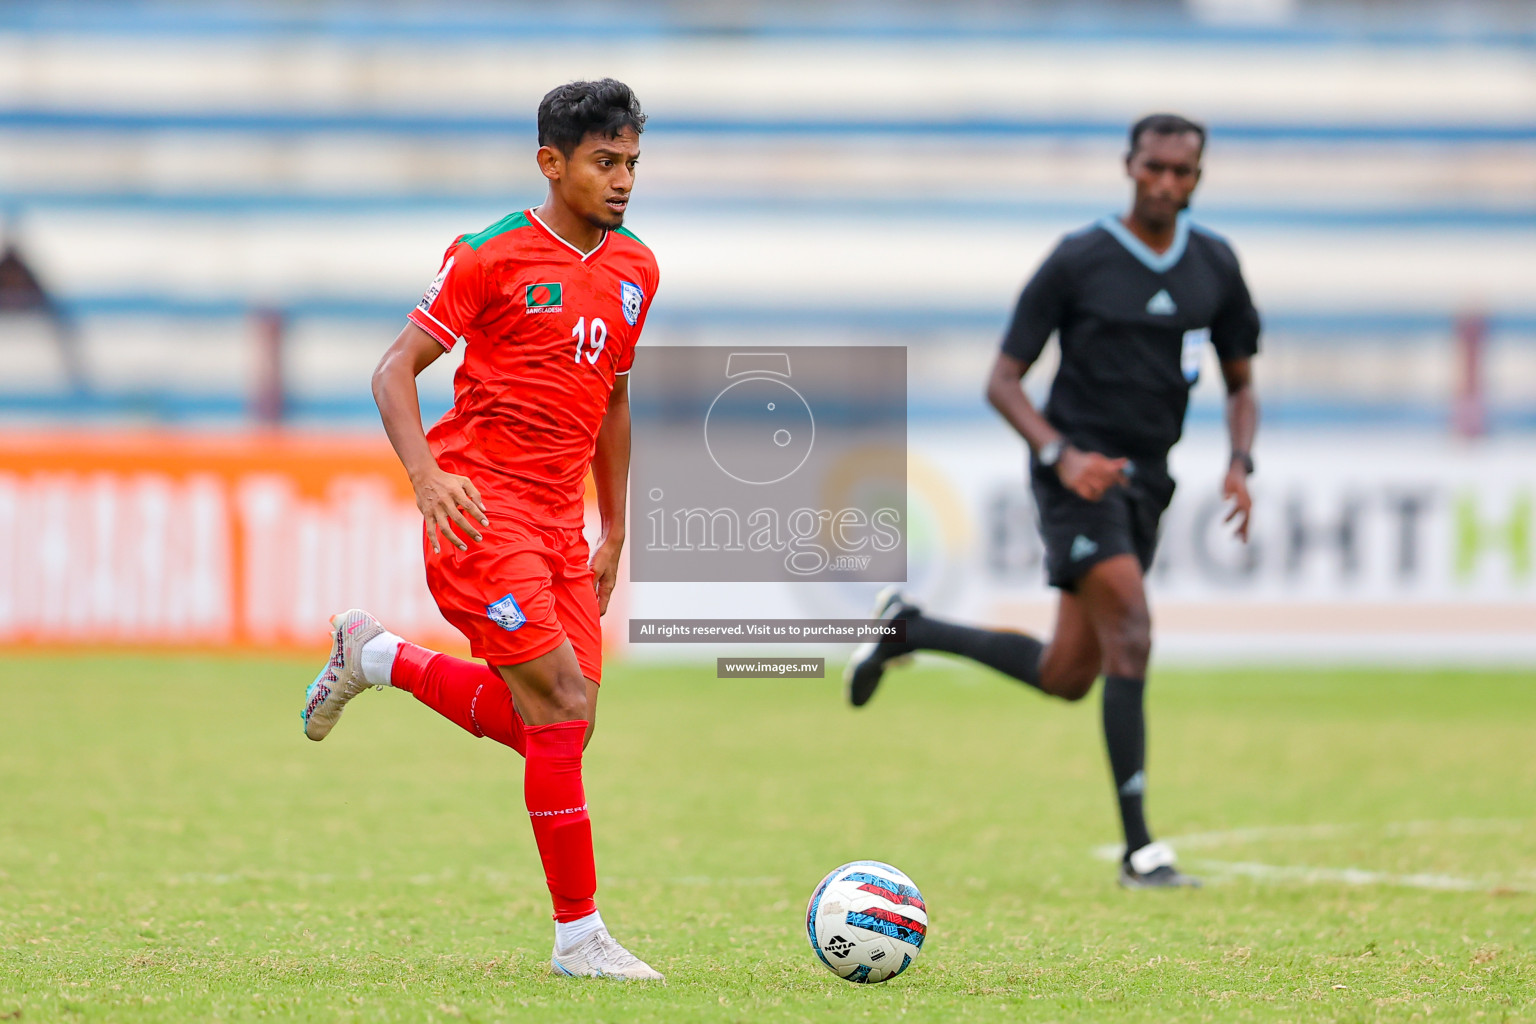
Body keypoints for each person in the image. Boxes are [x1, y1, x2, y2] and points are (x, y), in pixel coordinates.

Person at [300, 79, 663, 979]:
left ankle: (374, 656)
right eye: (604, 162)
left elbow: (613, 399)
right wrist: (426, 479)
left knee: (561, 728)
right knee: (563, 707)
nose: (622, 181)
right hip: (478, 509)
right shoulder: (489, 255)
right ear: (552, 163)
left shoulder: (637, 269)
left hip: (556, 521)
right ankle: (578, 938)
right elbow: (394, 370)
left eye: (632, 164)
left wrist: (615, 526)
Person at [845, 113, 1261, 889]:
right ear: (1128, 166)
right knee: (1132, 628)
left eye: (1184, 172)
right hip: (1075, 480)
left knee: (1069, 674)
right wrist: (1058, 454)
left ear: (1198, 178)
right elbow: (1002, 381)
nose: (1167, 183)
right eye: (1155, 167)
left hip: (1147, 485)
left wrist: (1241, 460)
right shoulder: (1080, 260)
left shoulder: (1216, 265)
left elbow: (1240, 382)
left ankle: (910, 628)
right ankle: (1141, 850)